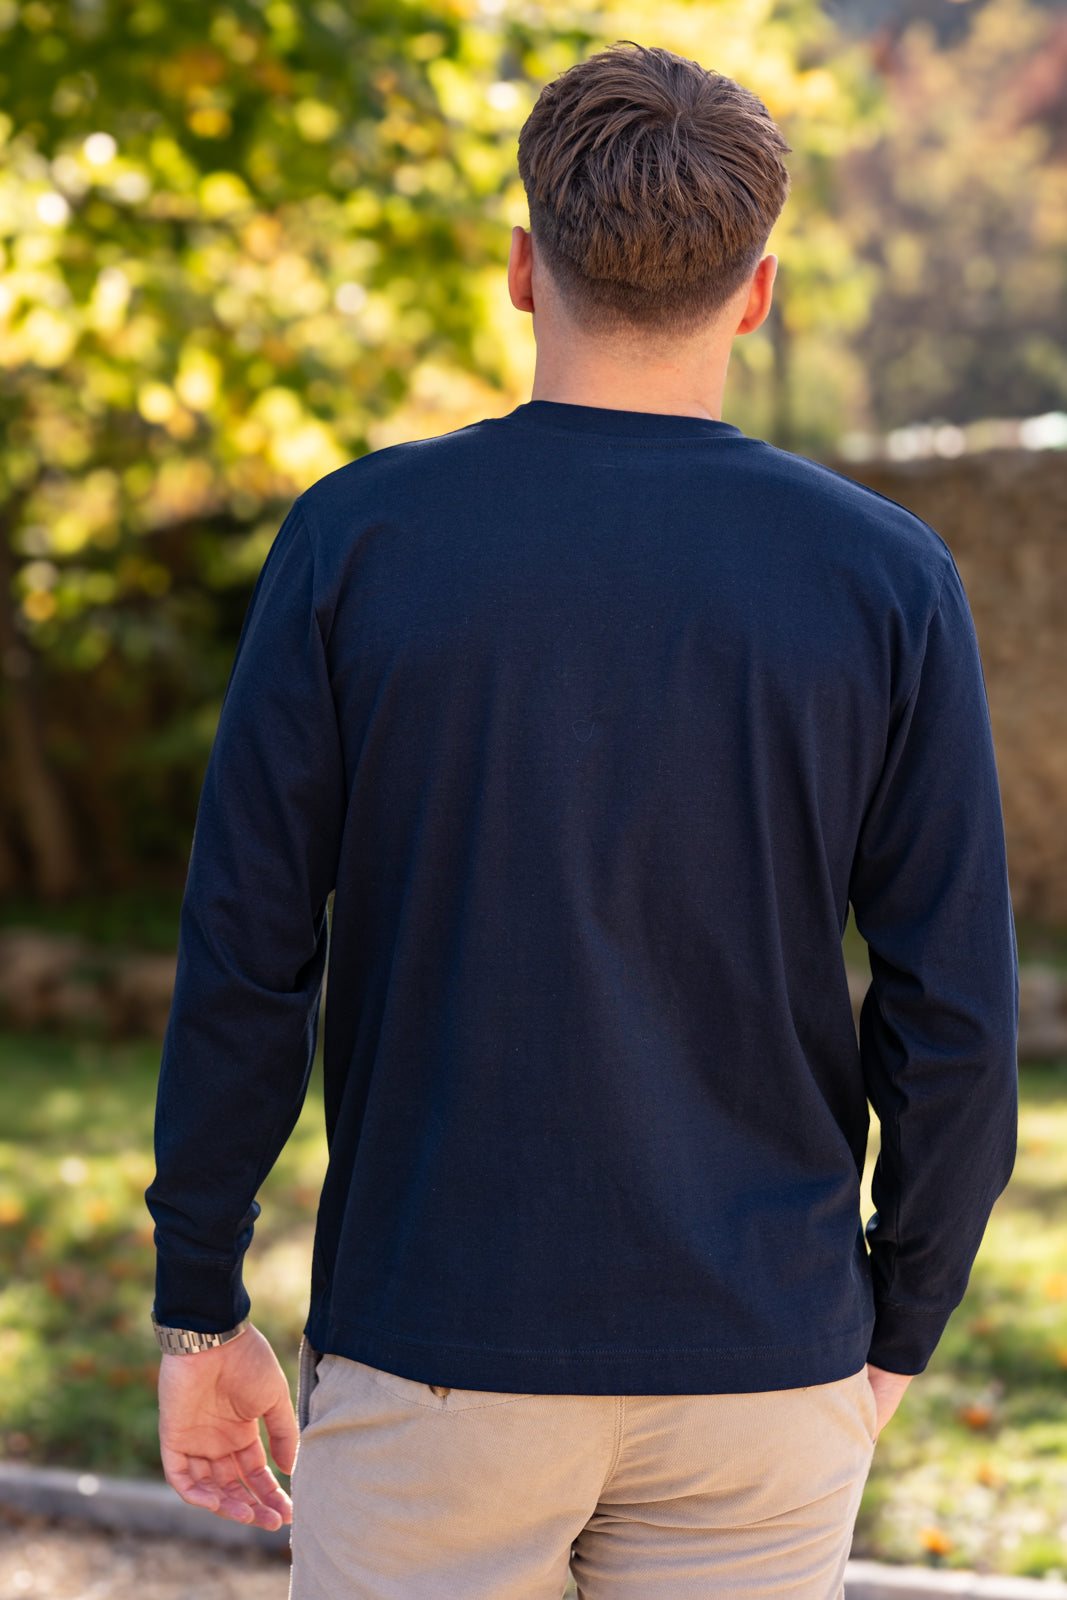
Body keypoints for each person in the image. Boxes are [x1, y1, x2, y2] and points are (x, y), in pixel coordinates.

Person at [146, 41, 1018, 1600]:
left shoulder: (358, 543)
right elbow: (955, 1008)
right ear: (756, 294)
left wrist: (199, 1306)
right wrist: (899, 1325)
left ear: (519, 268)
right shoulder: (887, 581)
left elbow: (246, 957)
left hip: (434, 1353)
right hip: (764, 1362)